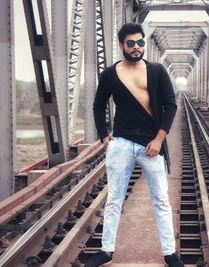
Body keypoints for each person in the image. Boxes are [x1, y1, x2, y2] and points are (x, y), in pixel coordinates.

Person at [87, 23, 184, 267]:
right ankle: (105, 251)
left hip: (151, 145)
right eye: (131, 43)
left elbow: (170, 106)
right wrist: (104, 136)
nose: (137, 47)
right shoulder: (110, 74)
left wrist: (159, 139)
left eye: (140, 42)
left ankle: (170, 253)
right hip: (121, 143)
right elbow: (99, 105)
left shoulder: (157, 71)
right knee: (114, 199)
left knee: (161, 199)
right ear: (121, 44)